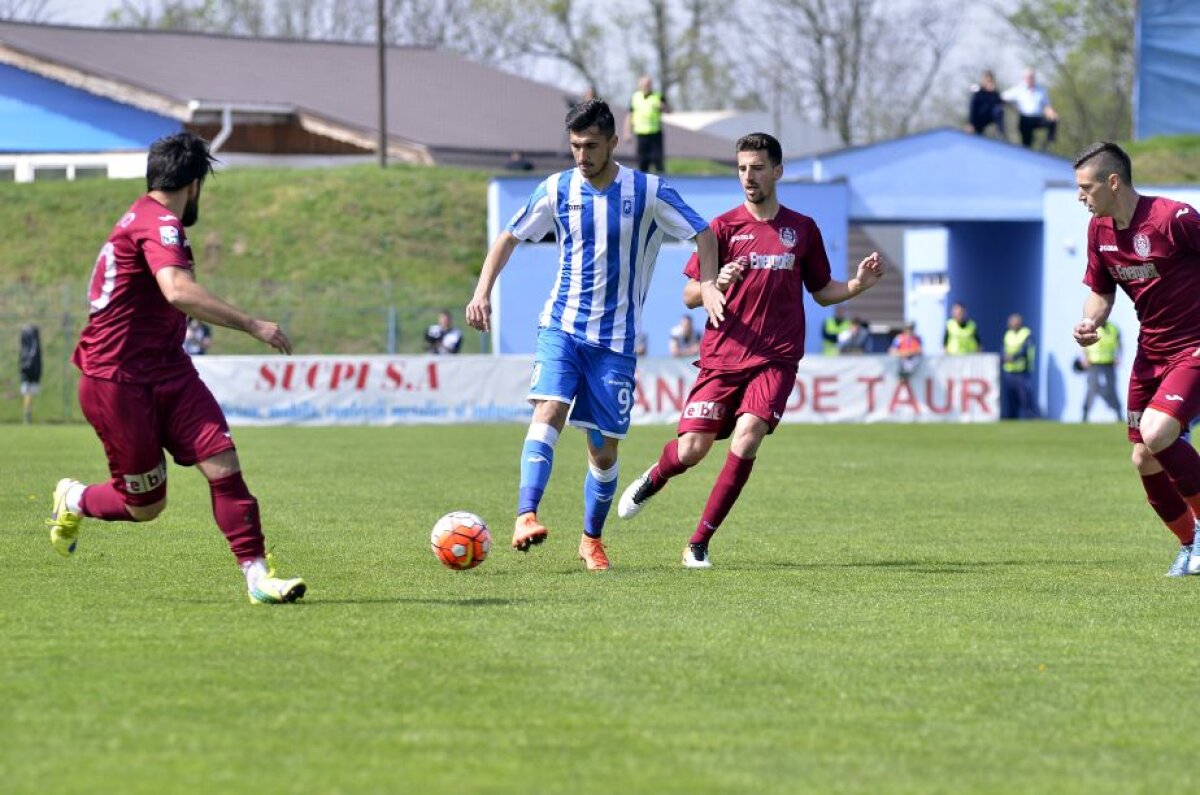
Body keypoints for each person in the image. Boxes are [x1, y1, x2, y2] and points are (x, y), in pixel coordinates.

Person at [45, 132, 306, 604]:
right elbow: (178, 290)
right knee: (145, 506)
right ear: (194, 183)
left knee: (224, 463)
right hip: (117, 379)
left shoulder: (143, 216)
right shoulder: (161, 224)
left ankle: (258, 577)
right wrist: (253, 325)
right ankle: (76, 498)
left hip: (169, 371)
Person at [465, 99, 720, 571]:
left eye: (591, 146)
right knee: (549, 408)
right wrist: (483, 291)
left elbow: (704, 233)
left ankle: (590, 539)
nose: (582, 156)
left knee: (602, 453)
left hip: (616, 342)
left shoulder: (647, 191)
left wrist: (707, 285)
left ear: (613, 143)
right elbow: (508, 237)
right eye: (575, 146)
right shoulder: (557, 189)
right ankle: (526, 515)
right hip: (561, 326)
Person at [616, 132, 883, 568]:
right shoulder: (721, 228)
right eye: (742, 168)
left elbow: (822, 291)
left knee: (749, 434)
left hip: (775, 358)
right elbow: (687, 294)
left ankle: (698, 543)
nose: (748, 176)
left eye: (757, 168)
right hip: (723, 356)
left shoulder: (802, 230)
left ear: (777, 171)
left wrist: (857, 286)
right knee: (692, 451)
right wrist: (715, 284)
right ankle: (655, 475)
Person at [1072, 140, 1200, 577]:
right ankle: (1190, 545)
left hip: (1194, 347)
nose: (1080, 197)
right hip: (1151, 352)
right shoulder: (1099, 232)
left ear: (1113, 182)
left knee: (1157, 430)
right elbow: (1101, 293)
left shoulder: (1174, 218)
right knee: (1144, 456)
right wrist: (1091, 322)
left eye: (1086, 188)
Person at [1002, 68, 1058, 149]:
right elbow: (1004, 97)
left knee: (1052, 121)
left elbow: (1047, 106)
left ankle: (1049, 142)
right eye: (1028, 77)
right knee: (1027, 143)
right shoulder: (1019, 89)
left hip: (1037, 119)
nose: (1031, 79)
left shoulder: (1041, 90)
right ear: (1024, 78)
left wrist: (1052, 114)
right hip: (1025, 119)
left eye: (1032, 77)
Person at [625, 75, 668, 174]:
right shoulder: (635, 97)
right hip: (641, 134)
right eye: (644, 85)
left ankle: (662, 186)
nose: (646, 87)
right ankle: (643, 186)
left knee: (658, 161)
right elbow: (630, 115)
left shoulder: (658, 95)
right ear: (639, 85)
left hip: (655, 133)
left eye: (648, 84)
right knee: (643, 162)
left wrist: (662, 107)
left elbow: (668, 110)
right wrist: (627, 132)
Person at [1080, 320, 1122, 422]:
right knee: (1092, 388)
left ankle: (1118, 413)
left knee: (1111, 389)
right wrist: (1085, 358)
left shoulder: (1113, 328)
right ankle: (1085, 414)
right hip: (1093, 363)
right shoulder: (1090, 328)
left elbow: (1119, 344)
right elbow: (1084, 344)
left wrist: (1119, 357)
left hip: (1109, 363)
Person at [1001, 312, 1037, 419]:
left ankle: (1032, 417)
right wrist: (1004, 357)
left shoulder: (1026, 334)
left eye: (1014, 321)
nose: (1012, 324)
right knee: (1011, 399)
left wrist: (1013, 357)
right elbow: (1003, 349)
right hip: (1009, 371)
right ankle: (1011, 419)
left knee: (1025, 398)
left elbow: (1025, 350)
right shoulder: (1007, 334)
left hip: (1022, 372)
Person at [967, 70, 1006, 140]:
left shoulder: (995, 94)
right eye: (987, 80)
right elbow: (972, 108)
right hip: (979, 118)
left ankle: (1000, 133)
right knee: (977, 136)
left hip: (989, 116)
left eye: (990, 81)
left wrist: (993, 93)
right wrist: (971, 123)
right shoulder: (978, 92)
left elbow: (999, 103)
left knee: (999, 110)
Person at [19, 323, 42, 424]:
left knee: (30, 393)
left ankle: (30, 415)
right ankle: (28, 415)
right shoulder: (30, 346)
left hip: (30, 370)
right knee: (28, 393)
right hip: (29, 370)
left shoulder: (31, 346)